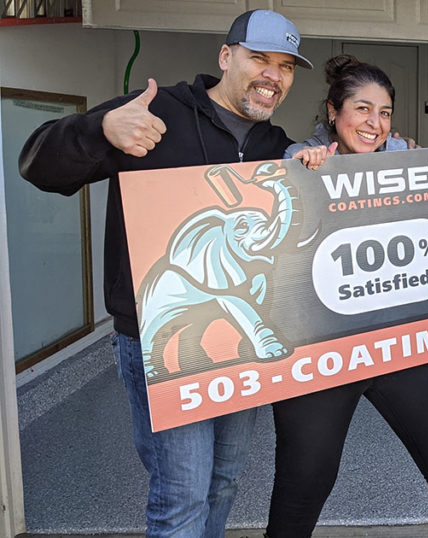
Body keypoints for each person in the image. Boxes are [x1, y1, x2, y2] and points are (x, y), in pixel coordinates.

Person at [18, 10, 313, 536]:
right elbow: (36, 164)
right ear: (226, 57)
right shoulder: (153, 112)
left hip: (238, 343)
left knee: (223, 480)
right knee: (180, 496)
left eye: (286, 66)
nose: (274, 75)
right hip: (161, 343)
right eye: (260, 59)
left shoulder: (274, 148)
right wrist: (101, 128)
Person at [266, 55, 428, 537]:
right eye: (362, 109)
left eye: (385, 111)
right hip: (322, 349)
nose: (375, 123)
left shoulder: (404, 157)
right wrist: (298, 177)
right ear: (333, 111)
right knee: (304, 479)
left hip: (401, 338)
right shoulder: (300, 156)